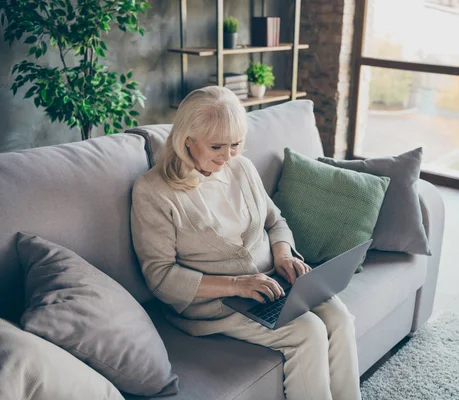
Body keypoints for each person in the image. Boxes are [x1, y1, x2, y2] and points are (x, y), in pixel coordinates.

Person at [130, 86, 361, 400]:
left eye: (235, 144)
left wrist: (282, 254)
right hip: (218, 305)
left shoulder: (242, 168)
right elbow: (160, 278)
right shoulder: (153, 192)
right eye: (216, 147)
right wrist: (237, 285)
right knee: (309, 332)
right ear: (187, 140)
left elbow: (274, 220)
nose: (228, 157)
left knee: (339, 317)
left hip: (274, 282)